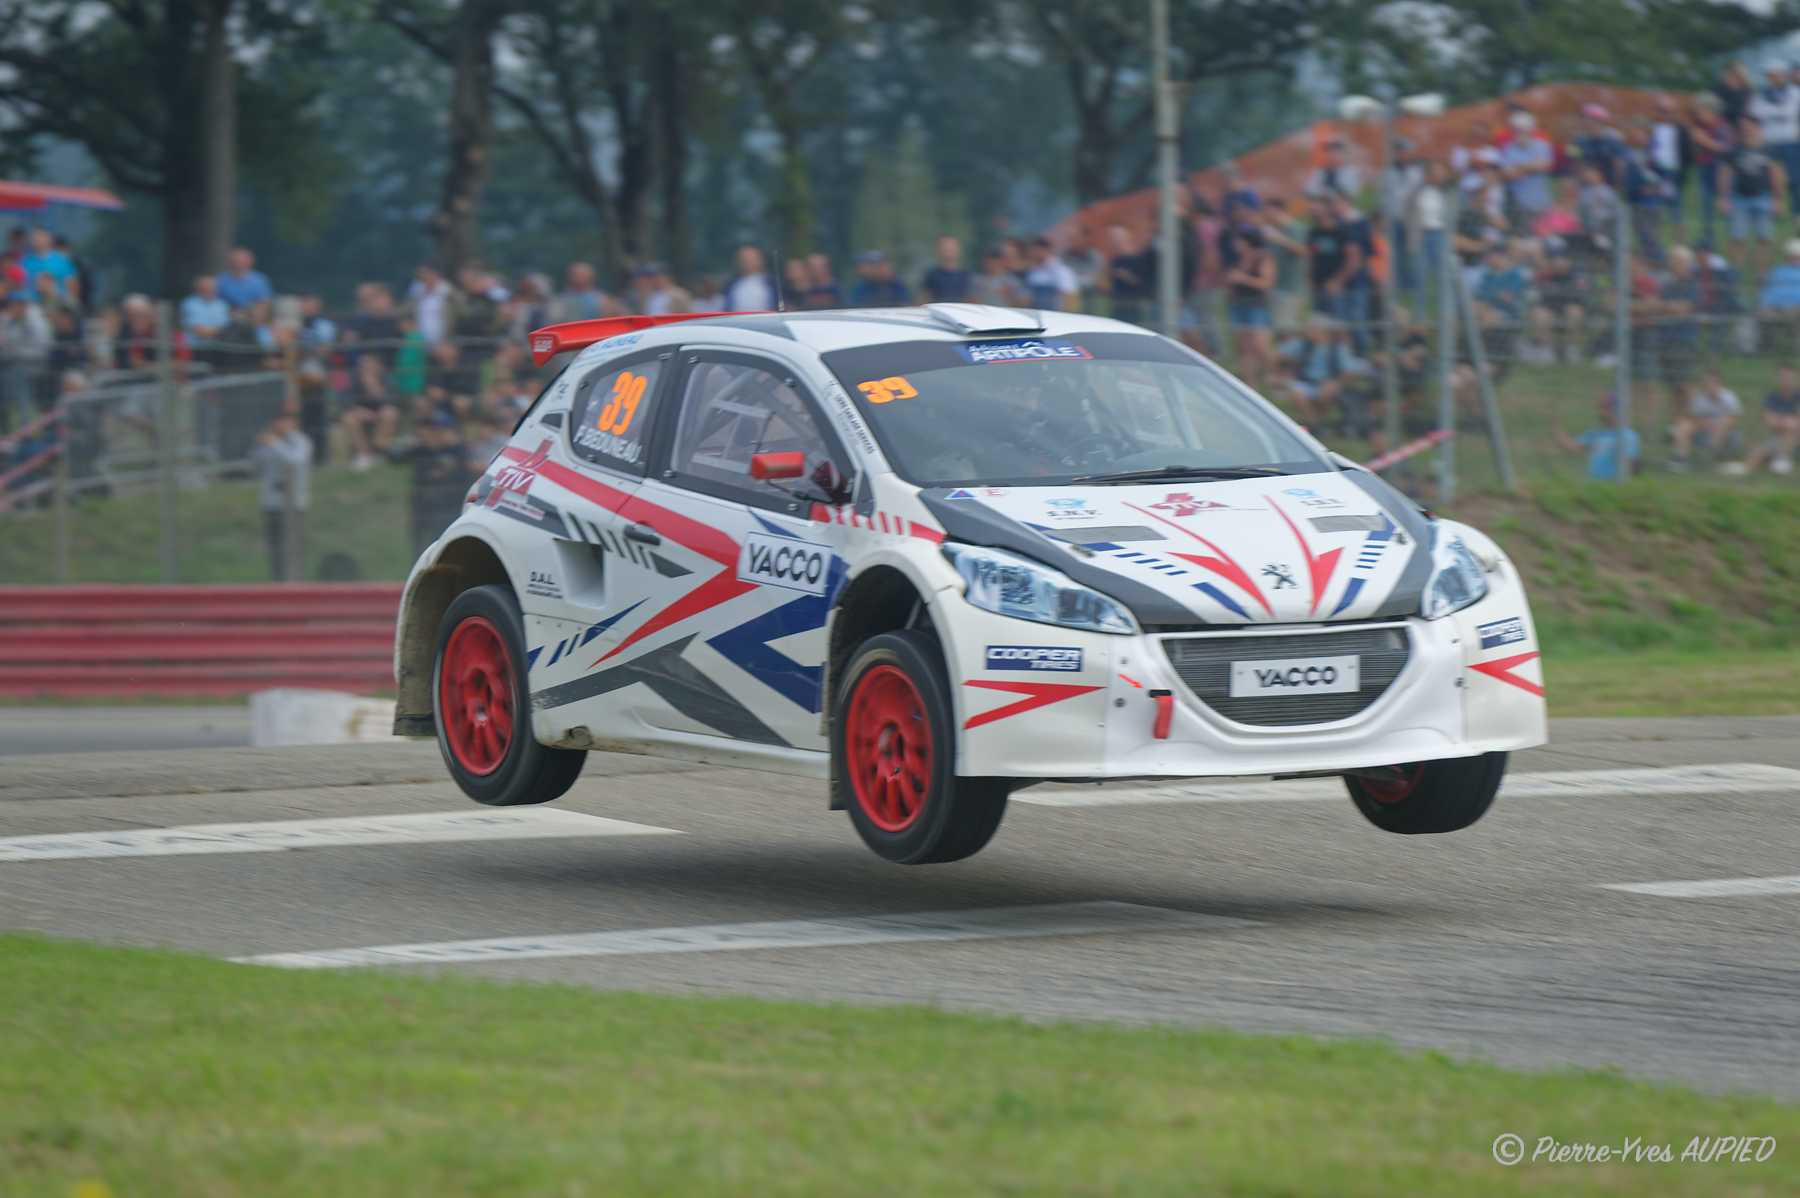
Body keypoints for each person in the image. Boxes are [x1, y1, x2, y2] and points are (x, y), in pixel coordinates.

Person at [1719, 116, 1788, 278]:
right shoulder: (1734, 150)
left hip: (1764, 198)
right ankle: (1735, 274)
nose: (1746, 130)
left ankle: (1761, 274)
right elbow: (1725, 174)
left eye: (1749, 126)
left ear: (1758, 128)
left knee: (1764, 239)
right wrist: (1723, 198)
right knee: (1737, 238)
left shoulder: (1769, 150)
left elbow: (1777, 174)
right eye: (1743, 127)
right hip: (1739, 199)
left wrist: (1778, 199)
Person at [252, 405, 312, 581]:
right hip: (271, 503)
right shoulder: (268, 442)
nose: (283, 425)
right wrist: (261, 447)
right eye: (280, 421)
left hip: (294, 505)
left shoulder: (301, 442)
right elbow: (256, 466)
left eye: (287, 421)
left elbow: (296, 460)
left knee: (293, 548)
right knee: (275, 549)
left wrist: (274, 443)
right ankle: (277, 583)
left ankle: (295, 583)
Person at [1224, 226, 1276, 389]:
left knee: (1260, 345)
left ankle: (1274, 376)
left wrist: (1243, 279)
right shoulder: (1237, 259)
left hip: (1256, 306)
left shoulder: (1263, 258)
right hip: (1238, 305)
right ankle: (1249, 384)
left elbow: (1266, 283)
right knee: (1243, 348)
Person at [1687, 93, 1735, 248]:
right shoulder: (1700, 127)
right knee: (1705, 206)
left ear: (1711, 110)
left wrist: (1705, 141)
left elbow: (1727, 149)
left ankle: (1733, 239)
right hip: (1704, 168)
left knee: (1725, 207)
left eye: (1701, 110)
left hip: (1721, 171)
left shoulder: (1723, 127)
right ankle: (1708, 240)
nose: (1698, 114)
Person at [1671, 369, 1742, 471]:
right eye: (1706, 382)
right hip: (1704, 432)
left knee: (1725, 425)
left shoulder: (1729, 397)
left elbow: (1733, 420)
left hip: (1727, 434)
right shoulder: (1700, 398)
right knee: (1684, 425)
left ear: (1719, 383)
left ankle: (1715, 459)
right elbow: (1694, 419)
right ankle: (1680, 458)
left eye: (1712, 382)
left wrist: (1717, 427)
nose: (1709, 385)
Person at [1557, 393, 1640, 480]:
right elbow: (1572, 446)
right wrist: (1556, 428)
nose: (1601, 413)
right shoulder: (1596, 434)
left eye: (1606, 409)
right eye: (1601, 408)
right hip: (1594, 485)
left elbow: (1631, 466)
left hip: (1613, 485)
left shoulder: (1628, 436)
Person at [1499, 107, 1555, 233]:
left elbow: (1545, 165)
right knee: (1522, 235)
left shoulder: (1543, 146)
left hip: (1541, 202)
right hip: (1518, 205)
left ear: (1531, 130)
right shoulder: (1508, 148)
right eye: (1516, 130)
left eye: (1523, 130)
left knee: (1544, 235)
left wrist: (1519, 167)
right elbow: (1508, 174)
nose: (1519, 133)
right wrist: (1532, 166)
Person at [342, 352, 398, 471]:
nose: (367, 367)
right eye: (364, 365)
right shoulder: (355, 378)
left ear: (378, 365)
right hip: (361, 413)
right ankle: (364, 454)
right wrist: (358, 410)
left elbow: (391, 401)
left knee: (390, 413)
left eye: (371, 364)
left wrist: (373, 386)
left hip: (381, 411)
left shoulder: (385, 377)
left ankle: (379, 450)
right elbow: (346, 401)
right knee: (349, 418)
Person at [1747, 363, 1800, 474]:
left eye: (1788, 377)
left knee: (1793, 432)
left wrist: (1782, 421)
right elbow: (1769, 420)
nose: (1785, 380)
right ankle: (1779, 461)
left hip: (1795, 437)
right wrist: (1787, 421)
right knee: (1758, 452)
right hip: (1777, 437)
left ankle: (1781, 459)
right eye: (1782, 377)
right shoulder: (1772, 397)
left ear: (1794, 378)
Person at [1103, 224, 1153, 327]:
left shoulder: (1140, 259)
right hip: (1118, 303)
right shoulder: (1115, 260)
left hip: (1134, 304)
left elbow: (1144, 283)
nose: (1114, 242)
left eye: (1117, 238)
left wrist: (1126, 276)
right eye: (1112, 239)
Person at [1021, 236, 1079, 311]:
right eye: (1033, 251)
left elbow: (1069, 296)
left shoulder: (1061, 271)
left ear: (1046, 250)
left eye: (1037, 251)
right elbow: (1027, 297)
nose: (1034, 254)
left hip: (1055, 313)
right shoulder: (1032, 271)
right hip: (1036, 311)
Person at [18, 228, 76, 297]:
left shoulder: (62, 261)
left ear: (49, 238)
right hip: (32, 301)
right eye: (34, 238)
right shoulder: (24, 261)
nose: (38, 240)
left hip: (57, 300)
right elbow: (20, 285)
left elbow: (71, 284)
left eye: (41, 237)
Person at [723, 244, 777, 311]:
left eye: (751, 258)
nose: (747, 261)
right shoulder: (730, 285)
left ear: (761, 260)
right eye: (743, 258)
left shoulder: (774, 283)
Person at [921, 235, 972, 303]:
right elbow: (923, 299)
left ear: (958, 250)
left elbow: (973, 300)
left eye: (951, 248)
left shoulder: (968, 277)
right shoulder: (931, 276)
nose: (948, 252)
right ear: (938, 251)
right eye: (945, 248)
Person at [179, 274, 228, 341]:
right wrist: (219, 331)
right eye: (206, 287)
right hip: (194, 345)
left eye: (213, 287)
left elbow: (227, 327)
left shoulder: (222, 305)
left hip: (220, 344)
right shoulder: (189, 304)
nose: (210, 290)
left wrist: (219, 331)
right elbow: (199, 330)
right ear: (198, 289)